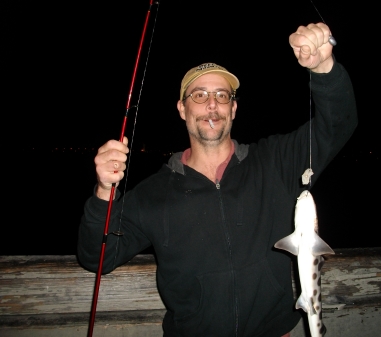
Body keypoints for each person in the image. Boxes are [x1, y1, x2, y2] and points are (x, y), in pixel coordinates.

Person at [78, 22, 357, 337]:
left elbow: (338, 125)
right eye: (199, 95)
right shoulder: (154, 193)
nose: (212, 104)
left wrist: (324, 68)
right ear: (182, 109)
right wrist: (104, 191)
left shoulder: (275, 161)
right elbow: (96, 258)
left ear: (233, 108)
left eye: (221, 95)